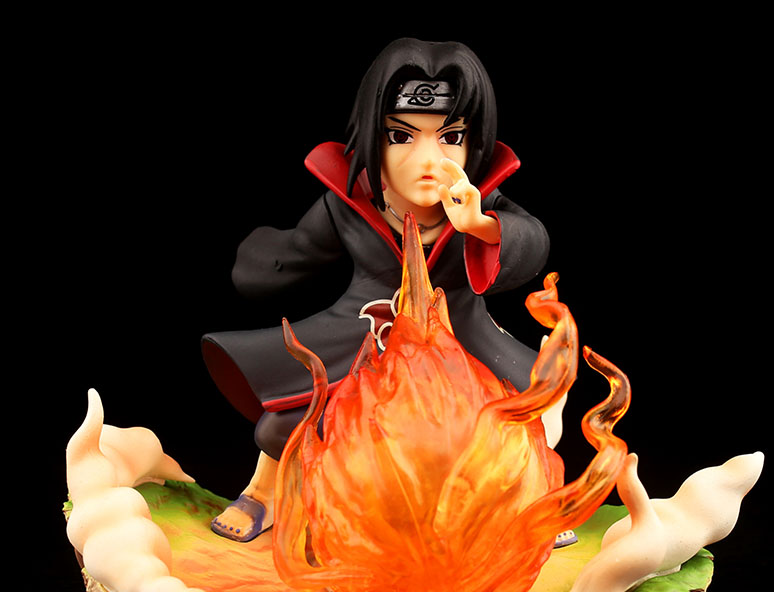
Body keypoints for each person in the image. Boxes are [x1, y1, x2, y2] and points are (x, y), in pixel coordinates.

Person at [202, 38, 550, 541]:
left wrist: (481, 225)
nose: (428, 158)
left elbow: (533, 242)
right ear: (374, 138)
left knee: (513, 421)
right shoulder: (351, 202)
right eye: (401, 136)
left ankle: (532, 503)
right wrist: (263, 262)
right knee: (289, 417)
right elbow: (299, 250)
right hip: (364, 335)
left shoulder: (481, 202)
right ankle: (265, 493)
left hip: (458, 341)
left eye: (450, 137)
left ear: (473, 144)